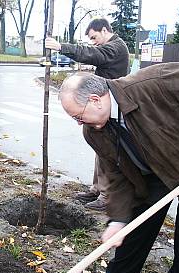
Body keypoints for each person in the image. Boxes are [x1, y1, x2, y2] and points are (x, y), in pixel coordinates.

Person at [57, 63, 179, 273]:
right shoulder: (94, 131)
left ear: (96, 99)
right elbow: (117, 176)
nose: (78, 123)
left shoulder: (154, 83)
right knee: (133, 228)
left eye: (78, 116)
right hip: (152, 174)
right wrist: (118, 220)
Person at [46, 17, 129, 211]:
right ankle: (97, 189)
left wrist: (61, 47)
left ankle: (106, 196)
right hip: (102, 104)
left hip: (107, 107)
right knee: (100, 149)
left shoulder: (116, 47)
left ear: (105, 30)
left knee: (107, 152)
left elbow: (93, 54)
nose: (93, 42)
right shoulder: (112, 47)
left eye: (94, 37)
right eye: (90, 39)